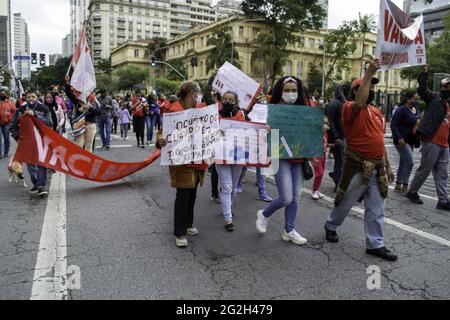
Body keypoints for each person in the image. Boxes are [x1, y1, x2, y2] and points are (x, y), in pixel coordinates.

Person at [324, 59, 398, 261]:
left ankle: (375, 244)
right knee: (346, 201)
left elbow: (379, 142)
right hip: (356, 165)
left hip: (378, 166)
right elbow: (358, 103)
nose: (372, 88)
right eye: (367, 85)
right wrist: (368, 73)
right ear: (356, 91)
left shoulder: (376, 111)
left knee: (376, 207)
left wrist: (388, 167)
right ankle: (331, 225)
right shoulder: (349, 108)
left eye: (373, 85)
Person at [256, 76, 318, 246]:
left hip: (299, 159)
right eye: (287, 90)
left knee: (296, 197)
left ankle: (289, 230)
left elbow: (310, 133)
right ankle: (264, 214)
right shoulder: (271, 110)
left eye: (294, 90)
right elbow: (258, 129)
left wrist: (320, 128)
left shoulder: (304, 110)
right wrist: (265, 129)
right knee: (286, 198)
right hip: (280, 156)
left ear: (299, 92)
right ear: (280, 91)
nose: (290, 94)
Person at [156, 81, 207, 248]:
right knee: (183, 195)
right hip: (181, 160)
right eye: (198, 92)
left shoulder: (199, 110)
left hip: (197, 159)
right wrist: (160, 140)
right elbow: (162, 132)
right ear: (191, 93)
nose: (199, 95)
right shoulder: (174, 110)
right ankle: (179, 232)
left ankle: (188, 223)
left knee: (192, 193)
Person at [406, 68, 450, 211]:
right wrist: (424, 73)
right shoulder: (434, 98)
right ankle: (412, 192)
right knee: (425, 169)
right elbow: (423, 89)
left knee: (443, 173)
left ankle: (443, 200)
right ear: (441, 88)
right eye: (446, 86)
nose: (448, 89)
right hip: (432, 141)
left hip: (445, 143)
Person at [10, 89, 53, 196]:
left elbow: (49, 123)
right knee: (30, 164)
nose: (31, 99)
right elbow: (13, 126)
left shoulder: (44, 108)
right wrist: (18, 138)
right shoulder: (21, 109)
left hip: (41, 140)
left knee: (41, 163)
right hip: (27, 141)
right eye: (28, 97)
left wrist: (35, 115)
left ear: (37, 97)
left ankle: (41, 186)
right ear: (25, 98)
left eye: (33, 97)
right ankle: (36, 184)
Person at [215, 91, 247, 231]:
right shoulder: (214, 114)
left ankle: (227, 207)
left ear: (236, 101)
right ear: (221, 100)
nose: (228, 102)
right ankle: (228, 218)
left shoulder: (241, 115)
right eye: (225, 99)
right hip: (221, 154)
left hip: (237, 154)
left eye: (231, 100)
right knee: (227, 186)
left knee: (233, 186)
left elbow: (249, 132)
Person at [390, 90, 421, 193]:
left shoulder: (415, 108)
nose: (416, 101)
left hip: (411, 140)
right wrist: (399, 137)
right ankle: (405, 184)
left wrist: (418, 121)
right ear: (408, 99)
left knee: (403, 163)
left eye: (417, 99)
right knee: (410, 162)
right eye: (414, 99)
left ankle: (398, 185)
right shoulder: (401, 110)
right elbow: (393, 124)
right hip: (402, 141)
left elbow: (419, 118)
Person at [65, 75, 99, 153]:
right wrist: (67, 82)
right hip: (79, 125)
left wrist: (89, 108)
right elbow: (69, 94)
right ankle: (80, 163)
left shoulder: (93, 100)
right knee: (79, 146)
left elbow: (98, 112)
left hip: (90, 125)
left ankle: (88, 164)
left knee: (88, 148)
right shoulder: (77, 100)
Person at [326, 84, 351, 192]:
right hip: (337, 138)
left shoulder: (343, 103)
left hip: (343, 137)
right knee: (340, 160)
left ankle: (336, 176)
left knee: (342, 161)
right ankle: (337, 181)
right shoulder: (334, 104)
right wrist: (336, 137)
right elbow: (330, 121)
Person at [311, 116, 330, 200]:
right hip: (316, 154)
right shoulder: (315, 133)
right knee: (320, 173)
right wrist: (313, 157)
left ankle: (317, 190)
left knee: (321, 173)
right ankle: (314, 191)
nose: (325, 126)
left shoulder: (326, 133)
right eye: (323, 124)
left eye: (326, 124)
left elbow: (325, 143)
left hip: (324, 154)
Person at [0, 89, 16, 159]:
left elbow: (14, 112)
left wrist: (10, 119)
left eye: (4, 93)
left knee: (6, 138)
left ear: (6, 94)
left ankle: (6, 152)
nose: (2, 95)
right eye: (1, 94)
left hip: (7, 123)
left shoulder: (10, 102)